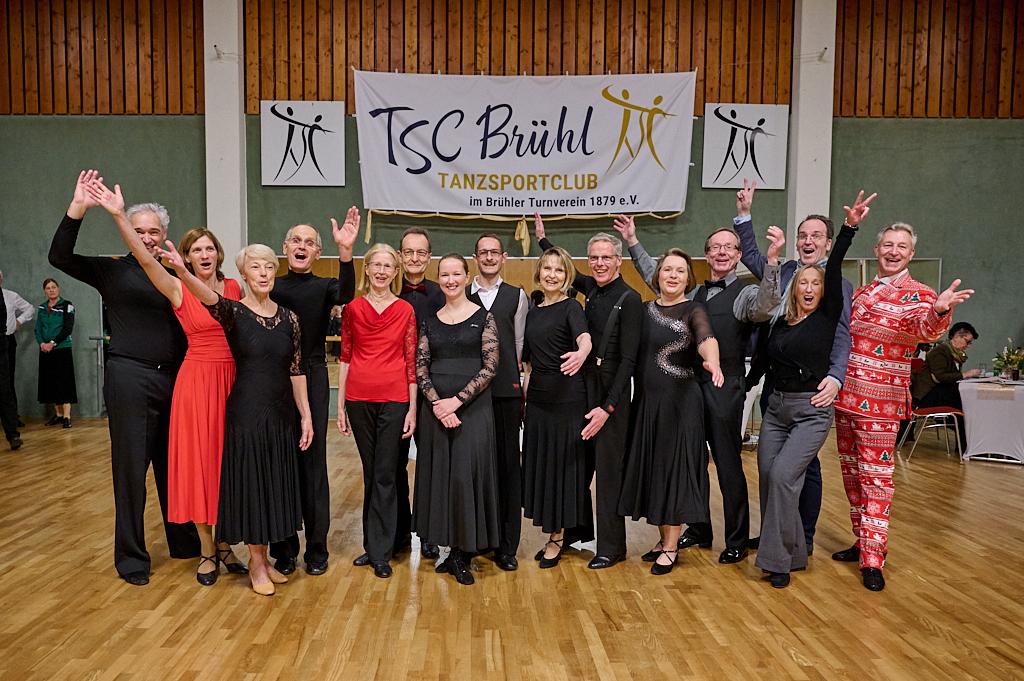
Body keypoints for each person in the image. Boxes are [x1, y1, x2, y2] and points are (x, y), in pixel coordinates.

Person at [85, 176, 250, 586]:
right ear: (187, 256)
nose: (205, 254)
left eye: (210, 248)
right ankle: (195, 552)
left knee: (223, 466)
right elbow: (143, 259)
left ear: (219, 253)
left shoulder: (234, 288)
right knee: (190, 466)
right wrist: (118, 216)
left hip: (226, 382)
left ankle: (222, 544)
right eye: (197, 250)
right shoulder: (175, 286)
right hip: (190, 381)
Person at [49, 170, 200, 585]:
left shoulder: (177, 273)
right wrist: (78, 208)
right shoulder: (112, 270)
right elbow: (59, 257)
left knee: (175, 466)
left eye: (154, 231)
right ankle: (132, 557)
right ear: (126, 232)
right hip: (130, 377)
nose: (148, 237)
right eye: (139, 230)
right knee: (131, 471)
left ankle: (184, 541)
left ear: (165, 233)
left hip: (176, 379)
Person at [160, 240, 314, 596]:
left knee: (275, 484)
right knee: (255, 486)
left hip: (280, 414)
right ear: (243, 274)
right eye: (255, 268)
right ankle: (256, 563)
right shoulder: (232, 312)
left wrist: (305, 416)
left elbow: (296, 370)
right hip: (246, 412)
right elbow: (203, 294)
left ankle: (267, 559)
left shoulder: (289, 318)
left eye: (268, 267)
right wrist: (182, 271)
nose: (263, 273)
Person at [617, 217, 772, 565]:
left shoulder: (746, 292)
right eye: (714, 247)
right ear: (705, 255)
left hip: (721, 387)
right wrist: (632, 241)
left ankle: (736, 538)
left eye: (728, 247)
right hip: (683, 388)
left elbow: (765, 306)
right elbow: (654, 274)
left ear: (738, 254)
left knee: (727, 463)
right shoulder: (693, 293)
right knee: (690, 461)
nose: (721, 252)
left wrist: (772, 264)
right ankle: (699, 528)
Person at [834, 219, 973, 592]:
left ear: (911, 254)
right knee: (852, 479)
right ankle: (863, 541)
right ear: (877, 250)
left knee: (877, 481)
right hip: (845, 399)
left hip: (882, 404)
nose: (893, 251)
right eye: (887, 245)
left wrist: (941, 311)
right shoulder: (862, 292)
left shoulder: (920, 294)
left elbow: (924, 327)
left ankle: (874, 560)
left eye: (901, 247)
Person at [743, 195, 868, 589]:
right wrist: (745, 217)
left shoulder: (832, 297)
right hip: (776, 404)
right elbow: (756, 263)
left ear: (827, 244)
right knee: (771, 475)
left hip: (812, 404)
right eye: (803, 235)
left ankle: (780, 557)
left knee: (787, 474)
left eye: (817, 235)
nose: (809, 240)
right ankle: (794, 545)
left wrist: (836, 376)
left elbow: (843, 334)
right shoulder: (784, 304)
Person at [535, 216, 643, 570]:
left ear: (618, 260)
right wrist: (543, 240)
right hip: (582, 391)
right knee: (577, 470)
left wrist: (607, 407)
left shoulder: (629, 299)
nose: (599, 263)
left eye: (605, 258)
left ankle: (611, 547)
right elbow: (560, 272)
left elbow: (628, 360)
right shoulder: (592, 289)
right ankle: (573, 534)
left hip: (610, 396)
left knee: (608, 473)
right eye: (594, 258)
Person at [617, 249, 724, 575]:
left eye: (680, 270)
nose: (673, 275)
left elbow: (706, 337)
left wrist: (713, 361)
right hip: (649, 404)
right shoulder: (644, 310)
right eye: (667, 270)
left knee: (675, 471)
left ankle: (672, 545)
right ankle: (664, 540)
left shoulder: (694, 309)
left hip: (681, 404)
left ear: (688, 278)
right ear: (657, 275)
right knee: (655, 472)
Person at [268, 211, 358, 577]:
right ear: (285, 248)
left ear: (317, 253)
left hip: (314, 374)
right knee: (280, 463)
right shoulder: (270, 285)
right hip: (274, 380)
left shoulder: (324, 288)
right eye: (296, 241)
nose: (302, 246)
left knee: (312, 462)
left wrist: (347, 252)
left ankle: (316, 547)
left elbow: (348, 293)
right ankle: (284, 546)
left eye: (309, 242)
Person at [413, 253, 500, 586]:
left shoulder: (484, 317)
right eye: (444, 275)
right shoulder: (430, 320)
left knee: (466, 478)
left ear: (467, 277)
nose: (450, 280)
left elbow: (490, 367)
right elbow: (420, 366)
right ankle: (446, 549)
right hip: (436, 411)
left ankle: (464, 553)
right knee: (441, 478)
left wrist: (456, 402)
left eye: (456, 274)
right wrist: (437, 403)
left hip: (473, 409)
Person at [336, 243, 417, 579]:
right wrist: (339, 404)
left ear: (395, 272)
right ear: (366, 269)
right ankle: (374, 545)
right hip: (358, 397)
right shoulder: (353, 309)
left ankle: (381, 551)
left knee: (385, 472)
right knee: (372, 472)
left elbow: (410, 362)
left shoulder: (405, 310)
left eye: (388, 266)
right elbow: (345, 356)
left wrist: (413, 408)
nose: (382, 271)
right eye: (376, 265)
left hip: (395, 397)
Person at [521, 247, 593, 569]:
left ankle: (557, 538)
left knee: (563, 471)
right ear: (539, 272)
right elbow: (530, 362)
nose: (552, 274)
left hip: (567, 401)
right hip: (537, 401)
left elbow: (586, 340)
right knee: (542, 468)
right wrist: (524, 393)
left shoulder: (571, 308)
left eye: (559, 270)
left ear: (567, 276)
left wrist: (581, 353)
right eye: (547, 268)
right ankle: (554, 532)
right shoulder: (534, 310)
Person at [468, 233, 530, 571]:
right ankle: (478, 538)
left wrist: (516, 382)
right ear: (475, 257)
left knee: (508, 468)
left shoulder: (517, 297)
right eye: (483, 252)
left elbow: (519, 344)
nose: (489, 257)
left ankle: (507, 545)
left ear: (504, 257)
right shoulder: (463, 294)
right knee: (476, 467)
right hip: (472, 397)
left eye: (495, 252)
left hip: (505, 393)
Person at [393, 227, 445, 561]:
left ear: (429, 257)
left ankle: (428, 533)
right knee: (392, 465)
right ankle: (394, 536)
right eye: (408, 252)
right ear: (400, 255)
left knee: (429, 464)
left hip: (430, 391)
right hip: (392, 388)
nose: (414, 258)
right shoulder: (386, 291)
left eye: (421, 253)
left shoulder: (443, 294)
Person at [909, 322, 980, 450]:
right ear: (957, 336)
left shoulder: (954, 354)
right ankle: (965, 446)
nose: (968, 346)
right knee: (962, 403)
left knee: (964, 402)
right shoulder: (940, 351)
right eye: (967, 342)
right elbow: (941, 376)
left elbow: (947, 377)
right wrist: (965, 375)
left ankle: (967, 445)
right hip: (927, 396)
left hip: (939, 391)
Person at [34, 278, 77, 428]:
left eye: (53, 287)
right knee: (51, 382)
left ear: (58, 289)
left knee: (64, 382)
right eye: (48, 288)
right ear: (44, 291)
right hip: (46, 349)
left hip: (62, 348)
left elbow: (67, 328)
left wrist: (53, 343)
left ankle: (66, 416)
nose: (51, 290)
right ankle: (58, 415)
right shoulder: (41, 308)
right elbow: (37, 329)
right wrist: (42, 343)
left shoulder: (67, 305)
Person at [1, 269, 34, 424]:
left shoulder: (10, 295)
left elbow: (30, 309)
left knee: (7, 379)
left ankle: (12, 417)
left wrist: (18, 321)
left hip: (6, 341)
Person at [0, 284, 22, 450]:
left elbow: (3, 319)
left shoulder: (4, 295)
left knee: (5, 390)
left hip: (1, 345)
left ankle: (13, 434)